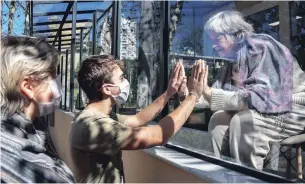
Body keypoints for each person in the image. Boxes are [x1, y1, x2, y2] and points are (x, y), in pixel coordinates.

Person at [179, 10, 305, 170]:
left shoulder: (261, 47)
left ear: (236, 34)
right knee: (218, 119)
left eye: (217, 38)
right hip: (264, 109)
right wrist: (189, 93)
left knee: (244, 121)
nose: (213, 45)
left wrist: (209, 92)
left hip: (293, 108)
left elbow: (262, 99)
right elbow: (215, 96)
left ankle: (248, 178)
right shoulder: (231, 61)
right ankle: (223, 174)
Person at [69, 55, 205, 183]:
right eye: (121, 78)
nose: (126, 82)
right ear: (107, 89)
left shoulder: (102, 116)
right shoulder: (94, 126)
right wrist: (193, 96)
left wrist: (169, 92)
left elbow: (138, 119)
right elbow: (158, 136)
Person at [0, 36, 75, 182]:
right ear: (28, 86)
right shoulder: (19, 162)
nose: (58, 83)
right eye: (52, 76)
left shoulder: (28, 130)